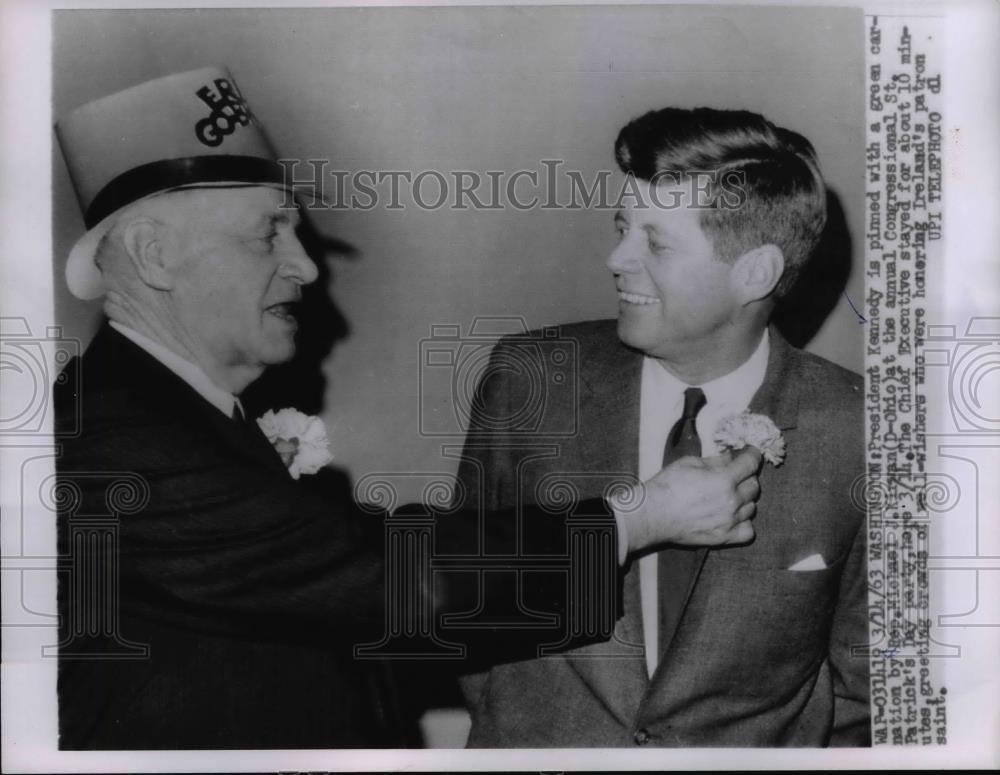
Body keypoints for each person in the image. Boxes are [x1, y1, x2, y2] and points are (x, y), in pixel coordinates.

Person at [52, 70, 763, 749]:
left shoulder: (170, 412)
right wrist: (637, 516)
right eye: (269, 232)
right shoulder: (113, 435)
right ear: (152, 255)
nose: (305, 266)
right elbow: (390, 580)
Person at [454, 107, 870, 747]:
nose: (616, 258)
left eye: (656, 240)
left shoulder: (858, 429)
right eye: (623, 227)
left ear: (754, 272)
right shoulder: (530, 380)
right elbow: (462, 608)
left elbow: (862, 685)